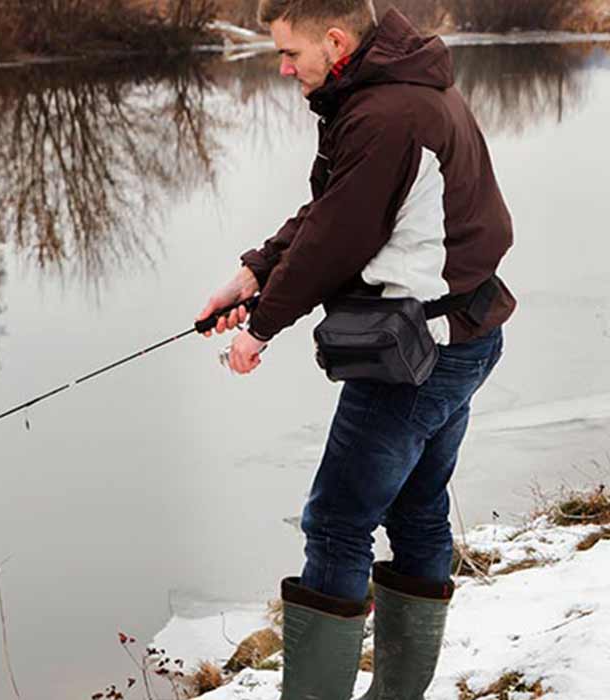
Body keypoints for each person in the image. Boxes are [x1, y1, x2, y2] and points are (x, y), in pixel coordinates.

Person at [196, 1, 516, 697]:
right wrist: (253, 273)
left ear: (335, 41)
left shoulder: (384, 115)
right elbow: (335, 211)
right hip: (463, 334)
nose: (283, 68)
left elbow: (335, 242)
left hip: (418, 354)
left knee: (338, 522)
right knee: (418, 507)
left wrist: (259, 329)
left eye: (289, 53)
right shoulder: (392, 90)